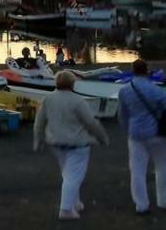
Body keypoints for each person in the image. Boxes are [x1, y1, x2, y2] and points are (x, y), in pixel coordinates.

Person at [33, 71, 109, 220]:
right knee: (73, 176)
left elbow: (39, 122)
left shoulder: (48, 99)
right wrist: (102, 138)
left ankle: (75, 203)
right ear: (73, 83)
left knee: (68, 174)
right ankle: (66, 209)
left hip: (55, 142)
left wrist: (38, 140)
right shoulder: (77, 100)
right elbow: (91, 123)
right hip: (77, 143)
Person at [118, 59, 166, 214]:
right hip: (157, 132)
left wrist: (127, 129)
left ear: (133, 70)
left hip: (135, 133)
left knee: (137, 170)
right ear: (147, 71)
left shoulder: (124, 90)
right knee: (162, 166)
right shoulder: (156, 90)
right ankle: (165, 201)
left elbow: (122, 115)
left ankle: (141, 205)